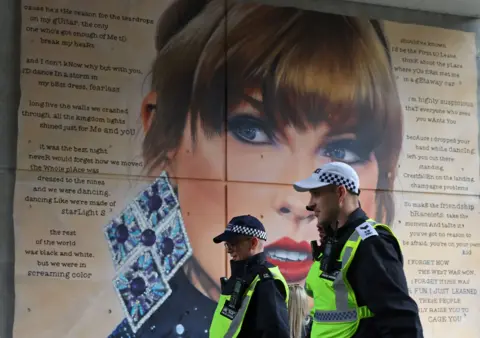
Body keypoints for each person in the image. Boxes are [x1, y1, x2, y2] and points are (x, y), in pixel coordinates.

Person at [108, 1, 404, 336]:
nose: (297, 204)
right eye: (251, 130)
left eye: (343, 148)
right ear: (163, 130)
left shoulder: (357, 250)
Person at [293, 162, 423, 338]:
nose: (310, 204)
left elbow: (400, 319)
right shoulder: (335, 241)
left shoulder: (371, 243)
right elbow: (326, 310)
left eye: (316, 194)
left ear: (340, 193)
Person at [209, 215, 290, 338]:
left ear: (253, 243)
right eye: (227, 245)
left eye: (233, 243)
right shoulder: (242, 276)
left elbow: (277, 333)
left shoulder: (267, 281)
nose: (228, 251)